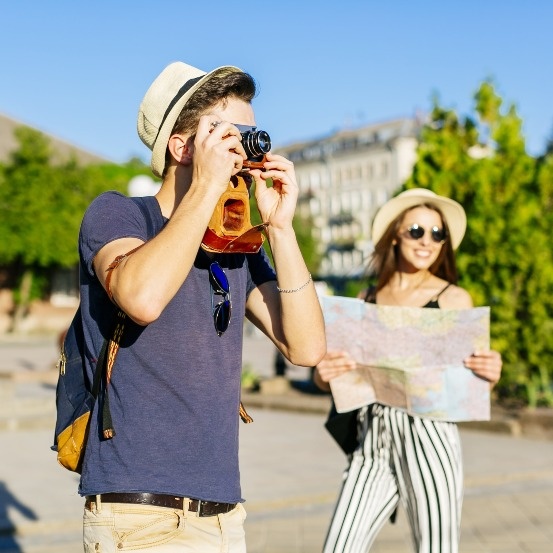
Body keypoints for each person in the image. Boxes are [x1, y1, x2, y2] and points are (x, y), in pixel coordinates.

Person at [77, 61, 326, 552]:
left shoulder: (234, 247)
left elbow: (308, 347)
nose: (243, 147)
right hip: (141, 516)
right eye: (226, 132)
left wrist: (280, 229)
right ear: (182, 146)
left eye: (249, 134)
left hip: (222, 515)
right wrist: (209, 186)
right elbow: (142, 298)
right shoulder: (121, 214)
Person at [314, 188, 502, 553]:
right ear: (395, 237)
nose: (427, 241)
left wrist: (489, 374)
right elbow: (335, 378)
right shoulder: (366, 299)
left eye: (437, 233)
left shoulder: (453, 298)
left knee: (437, 548)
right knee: (339, 547)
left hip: (430, 437)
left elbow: (470, 385)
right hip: (373, 440)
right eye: (416, 230)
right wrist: (325, 375)